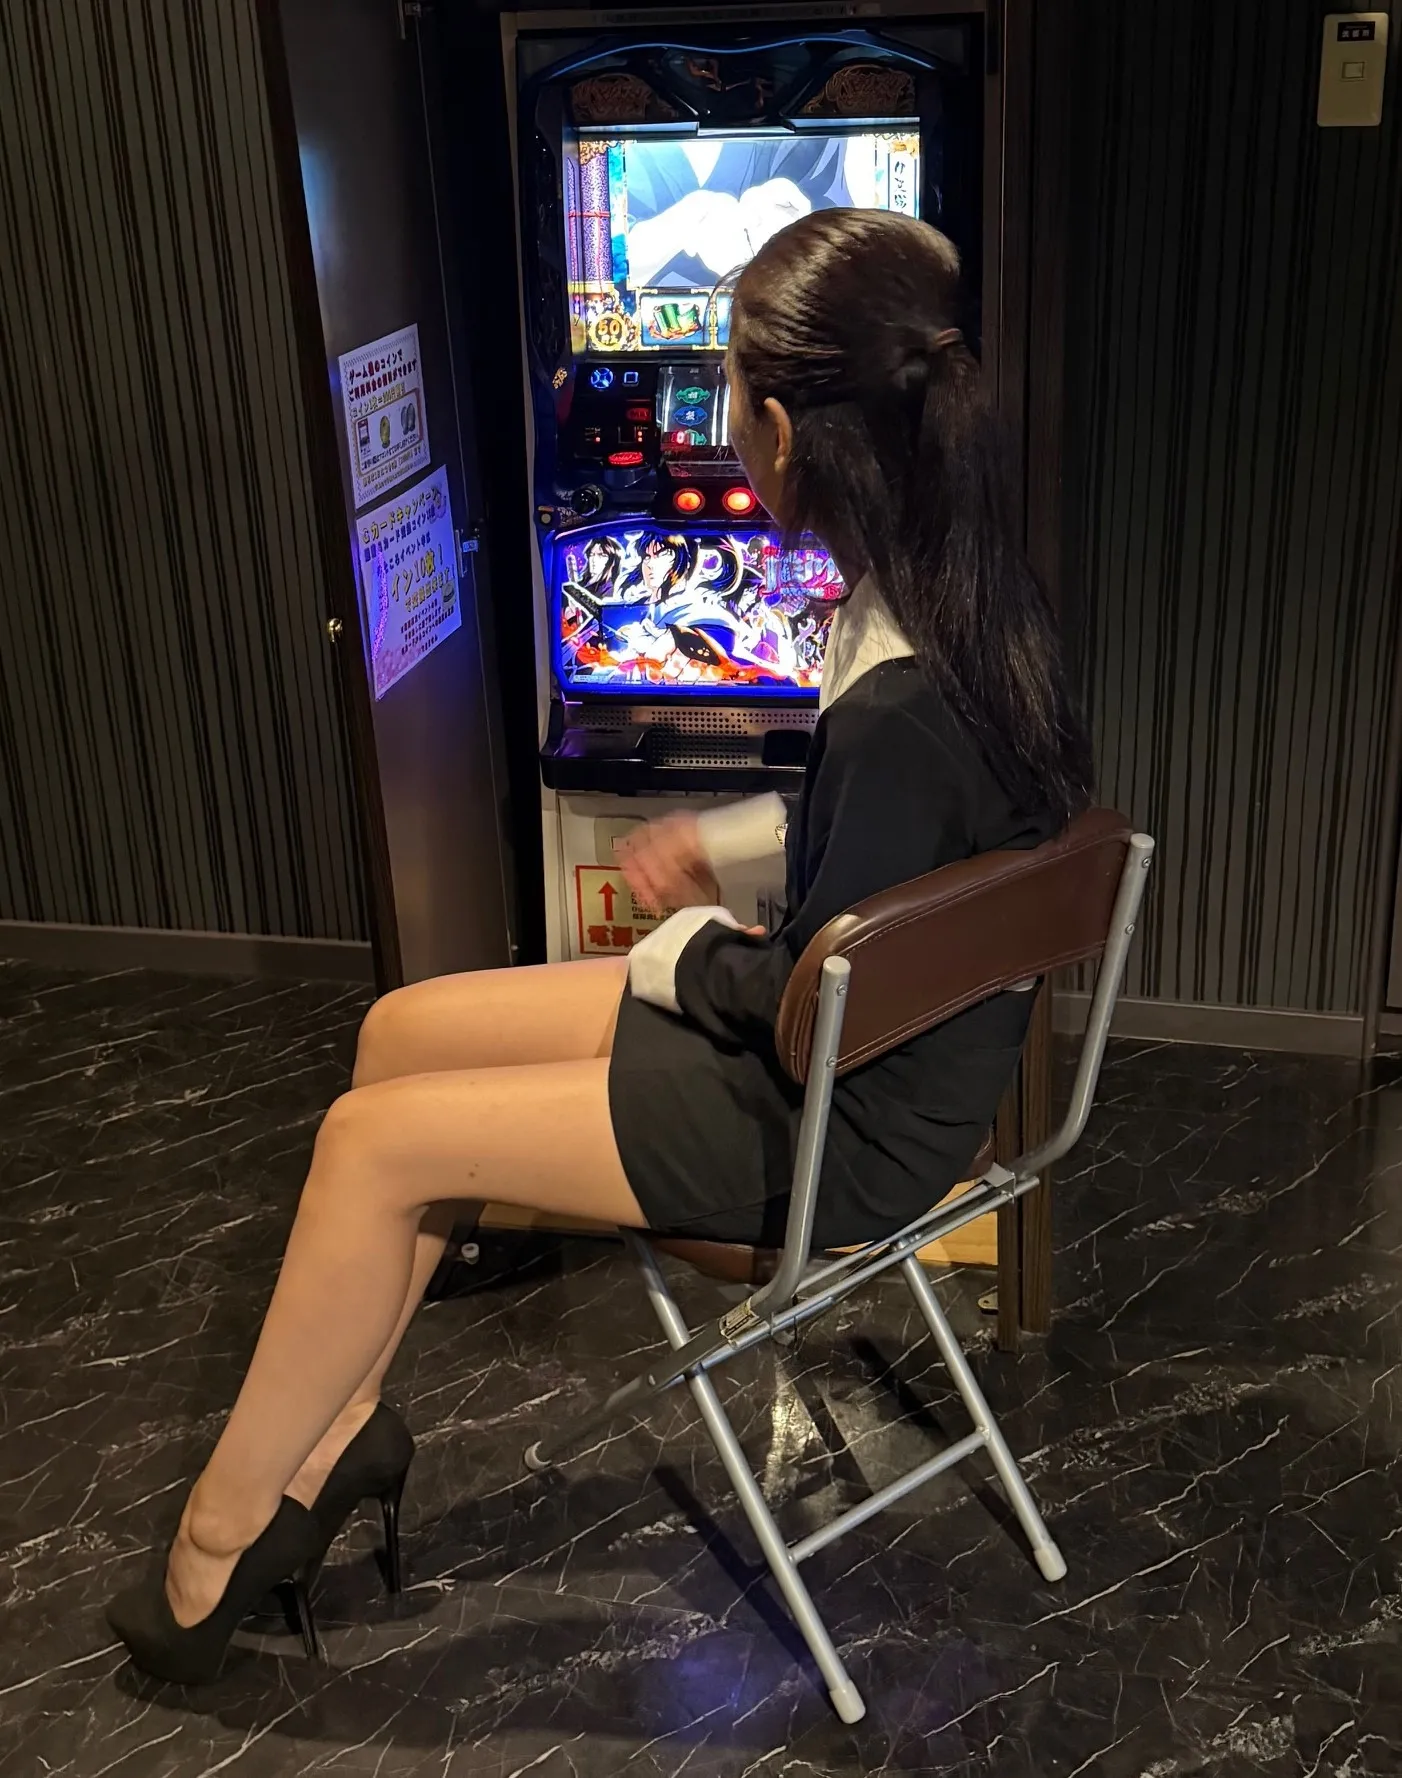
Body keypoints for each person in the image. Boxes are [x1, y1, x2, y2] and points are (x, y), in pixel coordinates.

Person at [106, 207, 1092, 1684]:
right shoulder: (960, 591)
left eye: (725, 389)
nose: (716, 419)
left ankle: (221, 1538)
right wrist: (734, 851)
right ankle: (335, 1437)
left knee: (372, 1146)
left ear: (778, 429)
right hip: (856, 1048)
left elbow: (806, 990)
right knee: (395, 1036)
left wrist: (671, 948)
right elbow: (902, 857)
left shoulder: (899, 693)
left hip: (830, 1122)